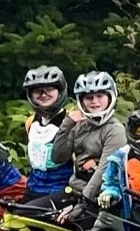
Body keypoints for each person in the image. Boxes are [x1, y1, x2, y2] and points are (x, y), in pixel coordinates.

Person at [54, 71, 126, 214]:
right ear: (81, 101)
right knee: (31, 215)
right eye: (89, 97)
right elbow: (58, 157)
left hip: (101, 199)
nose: (94, 101)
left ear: (110, 97)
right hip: (76, 189)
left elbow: (103, 172)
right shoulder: (79, 126)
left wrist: (82, 205)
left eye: (100, 96)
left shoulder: (115, 130)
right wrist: (67, 124)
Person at [19, 66, 73, 199]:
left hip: (61, 193)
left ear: (60, 91)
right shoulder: (30, 122)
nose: (43, 95)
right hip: (33, 190)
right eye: (38, 91)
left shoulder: (72, 122)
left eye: (49, 89)